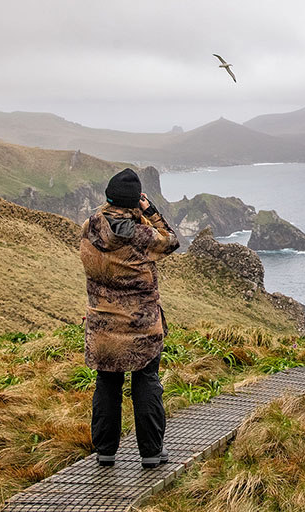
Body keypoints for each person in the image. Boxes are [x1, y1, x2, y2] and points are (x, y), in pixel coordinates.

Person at [79, 168, 180, 469]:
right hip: (141, 326)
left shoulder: (89, 227)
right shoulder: (141, 234)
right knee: (146, 382)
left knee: (106, 384)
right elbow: (171, 241)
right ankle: (150, 453)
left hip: (102, 324)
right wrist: (150, 211)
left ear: (109, 197)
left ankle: (105, 452)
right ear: (135, 202)